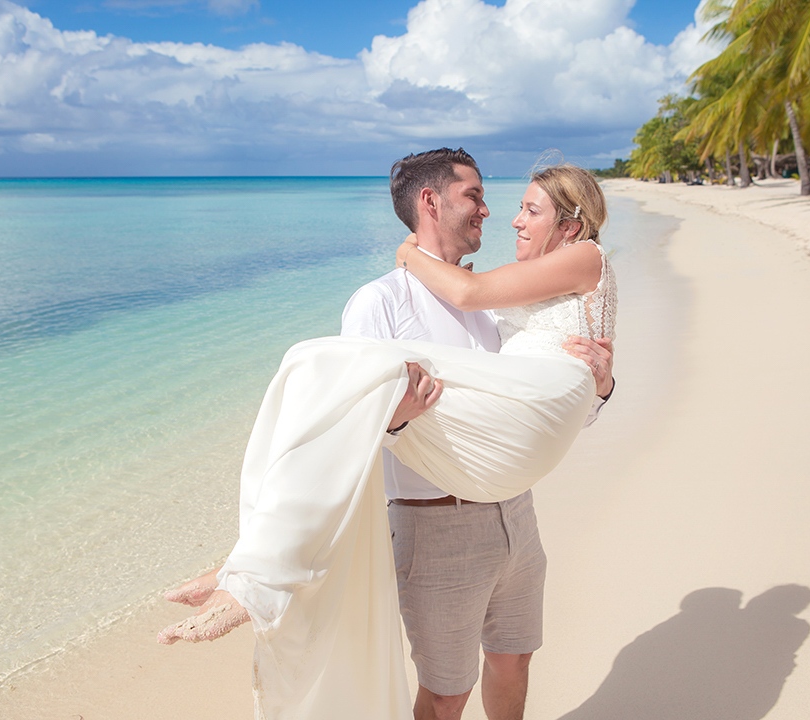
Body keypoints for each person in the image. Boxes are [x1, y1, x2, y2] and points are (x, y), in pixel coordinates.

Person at [158, 150, 617, 720]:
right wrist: (396, 417)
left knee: (514, 660)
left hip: (515, 515)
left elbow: (527, 410)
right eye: (474, 196)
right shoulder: (379, 302)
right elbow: (346, 428)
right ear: (432, 201)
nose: (490, 212)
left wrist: (598, 386)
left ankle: (253, 568)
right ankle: (255, 571)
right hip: (436, 523)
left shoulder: (497, 309)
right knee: (448, 692)